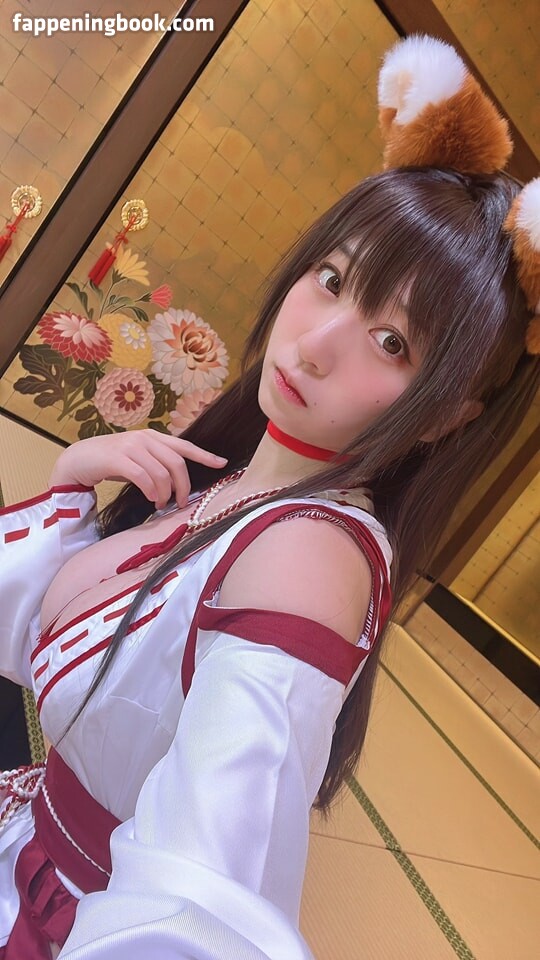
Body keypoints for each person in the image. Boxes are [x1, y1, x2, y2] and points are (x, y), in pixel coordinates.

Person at [0, 35, 539, 960]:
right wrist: (71, 480)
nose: (316, 344)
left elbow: (201, 911)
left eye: (393, 343)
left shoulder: (307, 558)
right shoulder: (244, 483)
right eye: (332, 279)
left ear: (450, 416)